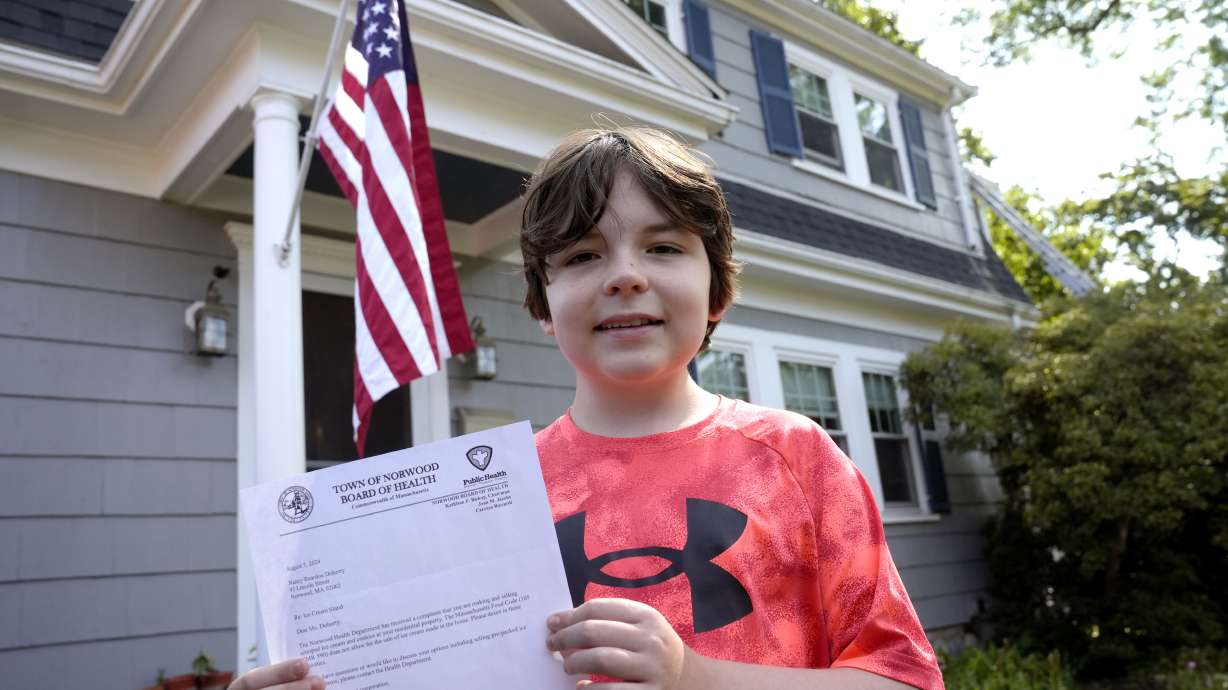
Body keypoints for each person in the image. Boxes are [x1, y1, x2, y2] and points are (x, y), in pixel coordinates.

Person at [229, 127, 943, 690]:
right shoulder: (488, 497)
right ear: (542, 306)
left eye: (663, 246)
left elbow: (903, 677)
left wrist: (694, 678)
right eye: (581, 256)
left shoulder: (796, 458)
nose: (625, 276)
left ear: (718, 291)